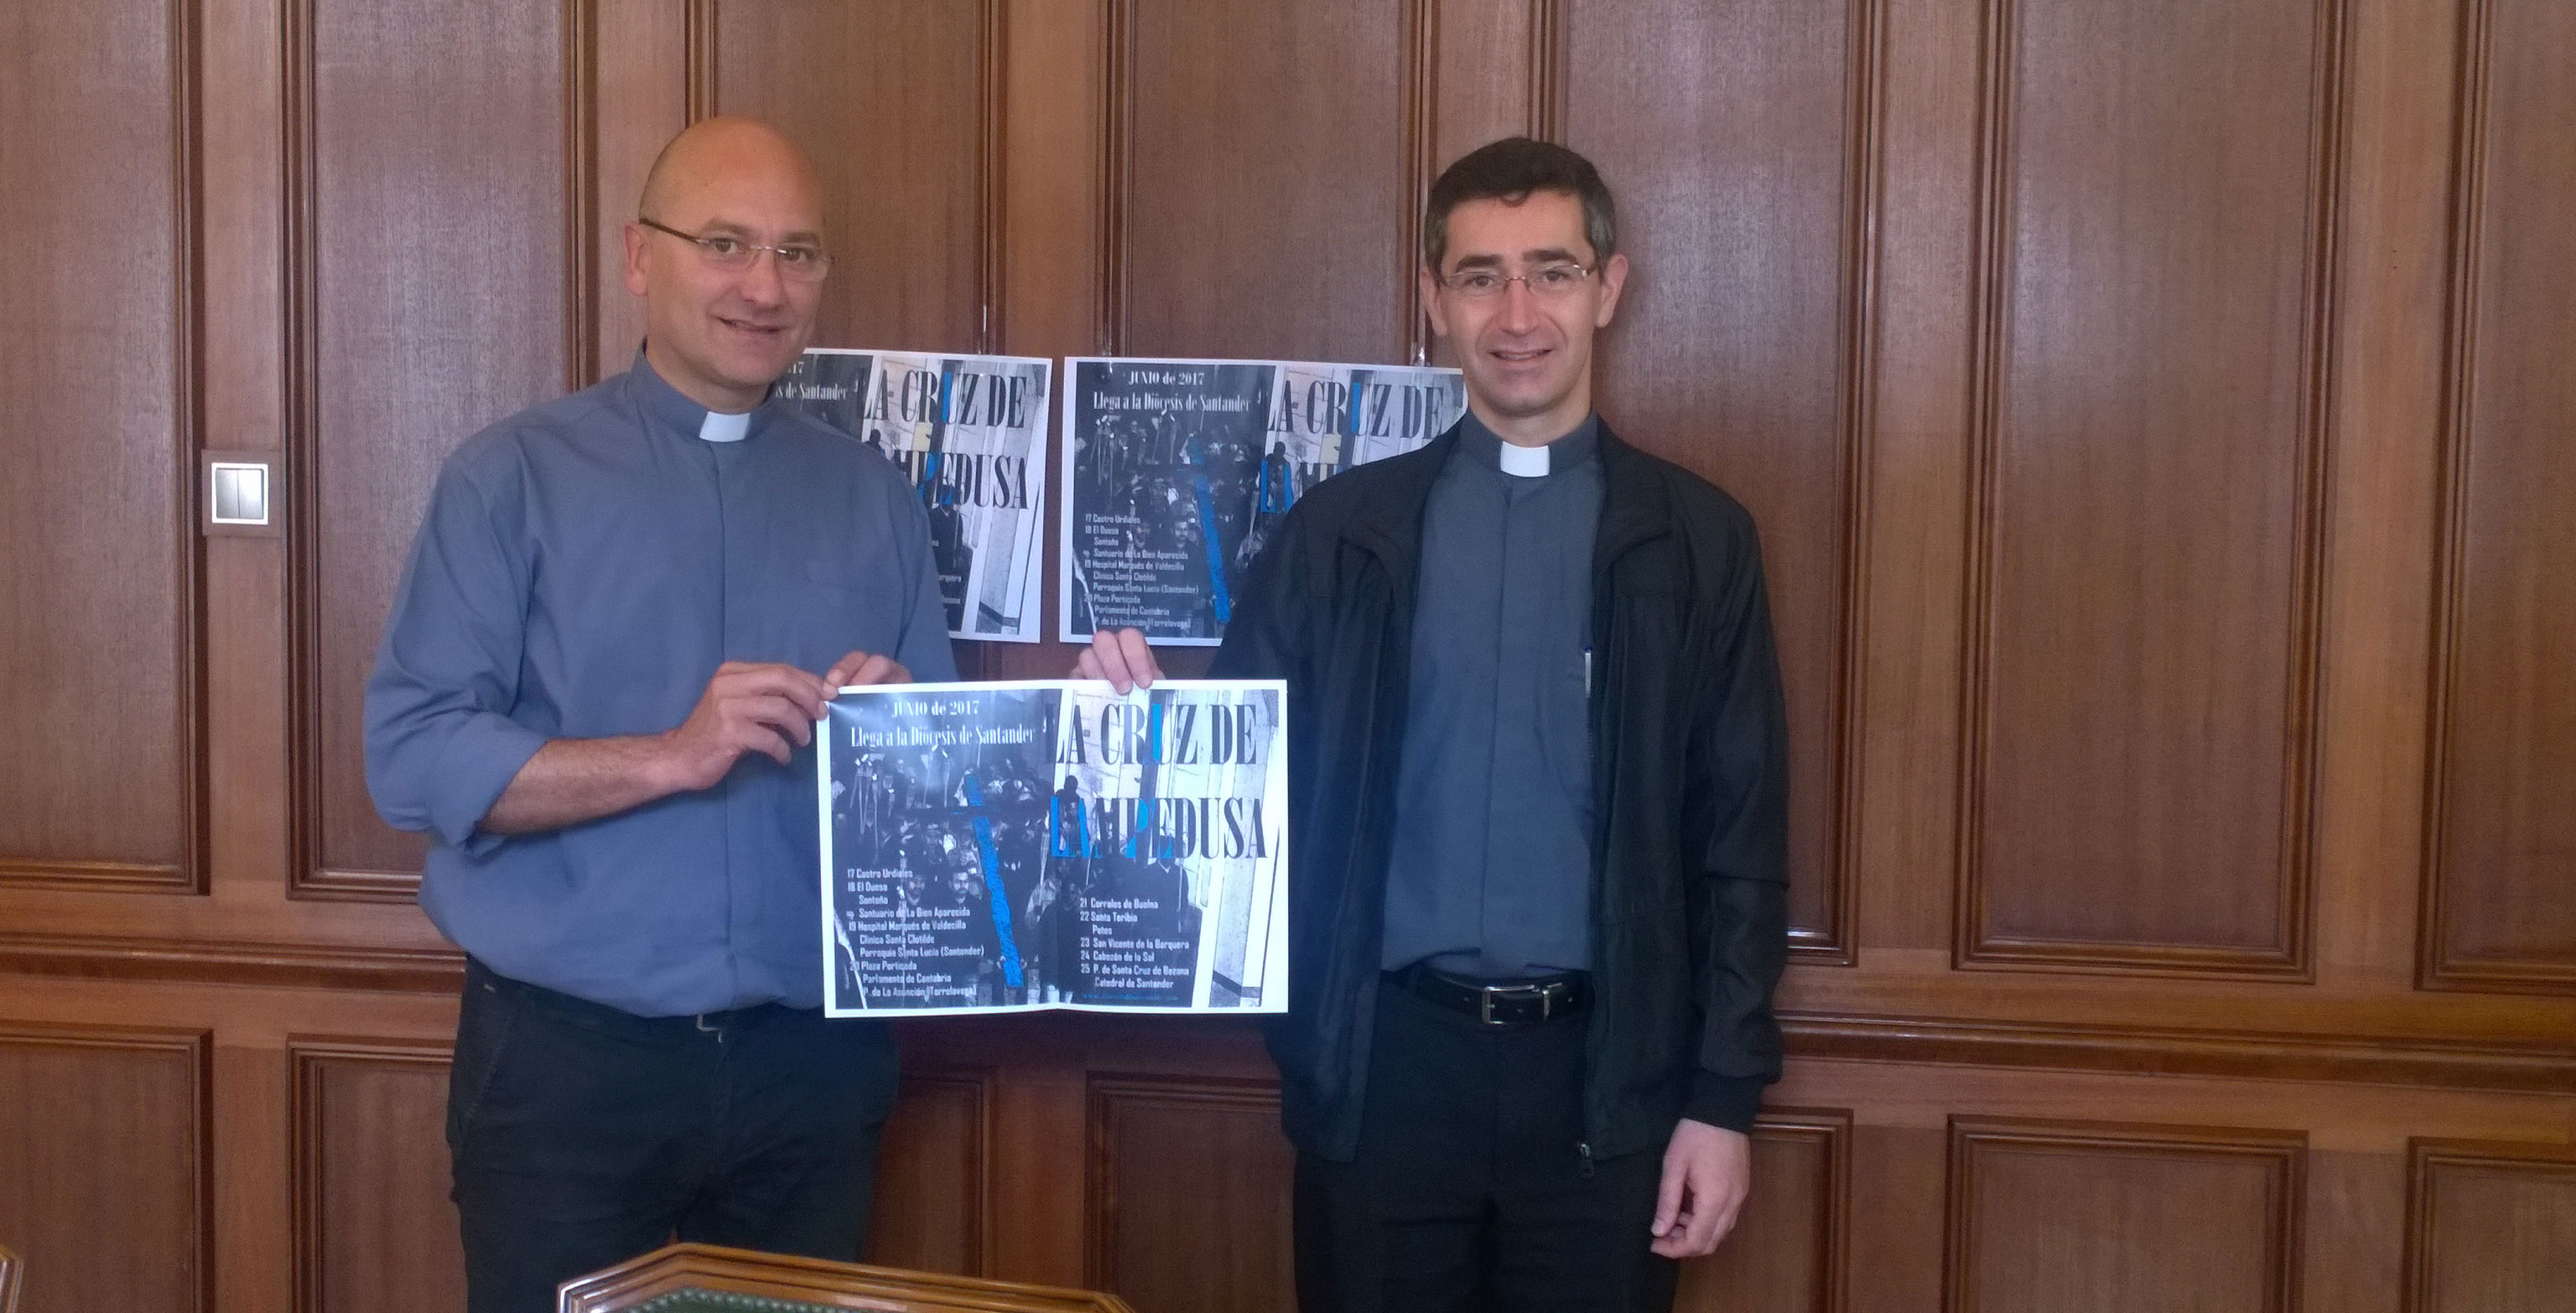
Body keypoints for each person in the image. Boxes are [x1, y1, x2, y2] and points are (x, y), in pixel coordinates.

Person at [1078, 136, 1789, 1312]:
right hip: (1383, 1072)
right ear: (1433, 299)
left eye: (1552, 271)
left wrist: (1722, 1101)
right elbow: (1228, 793)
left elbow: (1742, 841)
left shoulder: (1700, 543)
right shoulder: (1338, 536)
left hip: (1608, 1081)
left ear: (1608, 288)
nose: (1518, 314)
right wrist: (1128, 722)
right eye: (1480, 276)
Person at [364, 117, 956, 1313]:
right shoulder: (508, 478)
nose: (764, 288)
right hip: (569, 1066)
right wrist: (671, 757)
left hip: (813, 1067)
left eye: (797, 253)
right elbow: (411, 758)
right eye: (725, 244)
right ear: (640, 257)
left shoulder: (874, 497)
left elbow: (943, 796)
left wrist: (906, 739)